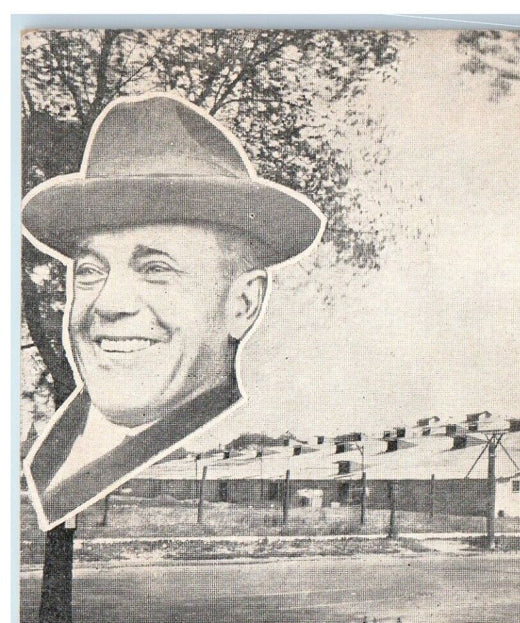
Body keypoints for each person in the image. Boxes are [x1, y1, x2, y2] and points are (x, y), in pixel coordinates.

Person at [21, 94, 325, 530]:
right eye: (89, 270)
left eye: (156, 269)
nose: (108, 303)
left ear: (242, 304)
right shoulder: (50, 454)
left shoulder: (215, 444)